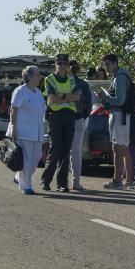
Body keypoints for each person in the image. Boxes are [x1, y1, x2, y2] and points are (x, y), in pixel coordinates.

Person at [41, 54, 80, 192]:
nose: (62, 66)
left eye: (65, 63)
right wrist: (67, 98)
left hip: (69, 116)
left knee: (65, 150)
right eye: (60, 63)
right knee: (56, 149)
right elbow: (52, 99)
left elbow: (77, 96)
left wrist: (62, 97)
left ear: (68, 65)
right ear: (55, 65)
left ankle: (62, 184)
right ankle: (46, 180)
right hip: (55, 116)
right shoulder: (49, 79)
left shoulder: (72, 79)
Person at [9, 65, 47, 195]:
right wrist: (14, 127)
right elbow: (14, 110)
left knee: (36, 158)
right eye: (37, 75)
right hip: (23, 131)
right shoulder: (20, 91)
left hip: (37, 132)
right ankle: (27, 186)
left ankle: (18, 177)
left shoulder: (39, 93)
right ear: (29, 77)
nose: (39, 77)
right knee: (26, 160)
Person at [99, 54, 135, 189]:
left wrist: (106, 97)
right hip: (119, 116)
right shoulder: (118, 76)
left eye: (108, 64)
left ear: (115, 63)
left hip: (120, 116)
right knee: (118, 148)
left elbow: (120, 100)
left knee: (122, 148)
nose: (106, 67)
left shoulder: (120, 77)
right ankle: (120, 180)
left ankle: (125, 181)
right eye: (105, 64)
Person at [69, 60, 92, 192]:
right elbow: (88, 105)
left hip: (67, 119)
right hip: (79, 119)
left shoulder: (64, 83)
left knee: (65, 150)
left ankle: (62, 181)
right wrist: (83, 117)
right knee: (76, 151)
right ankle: (75, 182)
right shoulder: (83, 84)